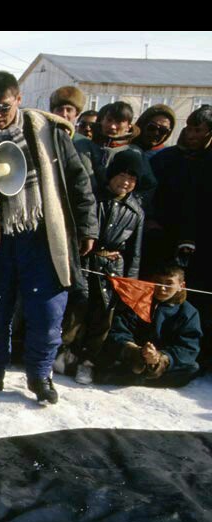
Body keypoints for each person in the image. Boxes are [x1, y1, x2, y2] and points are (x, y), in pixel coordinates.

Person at [0, 70, 97, 405]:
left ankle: (40, 377)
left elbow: (78, 181)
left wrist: (87, 228)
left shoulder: (47, 132)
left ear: (18, 100)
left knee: (47, 312)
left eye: (3, 107)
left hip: (42, 235)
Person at [57, 149, 145, 385]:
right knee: (77, 307)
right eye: (122, 175)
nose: (125, 182)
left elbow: (134, 252)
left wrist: (129, 285)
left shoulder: (136, 211)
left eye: (132, 178)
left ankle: (88, 362)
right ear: (112, 175)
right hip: (86, 261)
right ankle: (62, 353)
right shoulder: (93, 199)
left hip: (113, 268)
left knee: (103, 315)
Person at [150, 105, 212, 361]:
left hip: (203, 241)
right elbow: (151, 192)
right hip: (166, 236)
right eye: (189, 128)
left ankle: (197, 355)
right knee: (166, 294)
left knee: (200, 298)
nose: (191, 135)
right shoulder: (168, 158)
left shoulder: (207, 162)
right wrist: (153, 220)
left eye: (199, 130)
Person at [97, 264, 201, 388]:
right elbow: (118, 329)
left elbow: (188, 347)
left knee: (192, 368)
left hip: (159, 360)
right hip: (135, 357)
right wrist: (134, 351)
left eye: (169, 283)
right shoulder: (137, 302)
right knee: (105, 354)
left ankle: (134, 378)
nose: (162, 288)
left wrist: (160, 358)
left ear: (181, 286)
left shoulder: (188, 312)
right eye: (158, 282)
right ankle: (137, 375)